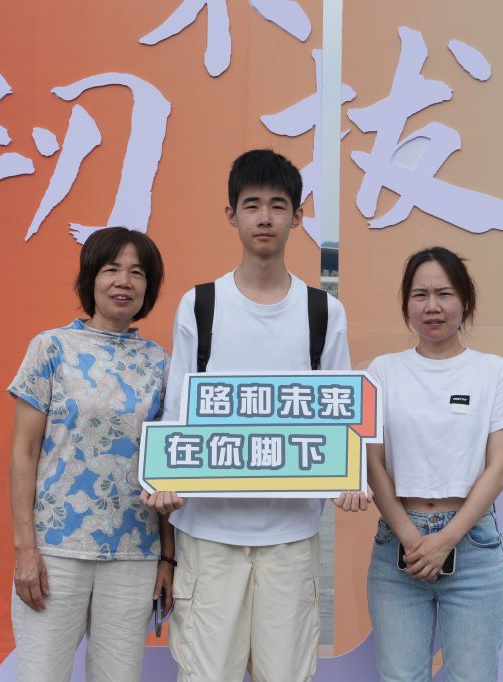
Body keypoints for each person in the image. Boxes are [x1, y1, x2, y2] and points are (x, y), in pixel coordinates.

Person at [142, 149, 366, 682]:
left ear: (298, 216)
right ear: (232, 215)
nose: (265, 217)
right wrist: (164, 479)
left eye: (278, 206)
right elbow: (178, 411)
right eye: (252, 205)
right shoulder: (201, 305)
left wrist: (350, 477)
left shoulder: (323, 311)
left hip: (291, 535)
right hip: (208, 534)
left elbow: (340, 413)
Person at [365, 247, 503, 682]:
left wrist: (446, 539)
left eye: (444, 293)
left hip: (473, 544)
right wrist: (411, 537)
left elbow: (500, 468)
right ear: (406, 304)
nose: (432, 306)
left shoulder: (494, 373)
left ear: (465, 301)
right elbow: (373, 464)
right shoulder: (382, 372)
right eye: (419, 295)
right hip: (398, 545)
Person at [7, 227, 174, 682]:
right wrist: (26, 549)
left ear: (149, 287)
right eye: (111, 269)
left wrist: (167, 557)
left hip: (134, 554)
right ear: (90, 279)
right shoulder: (51, 348)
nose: (124, 282)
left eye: (137, 273)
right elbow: (24, 453)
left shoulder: (160, 362)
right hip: (56, 550)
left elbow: (163, 468)